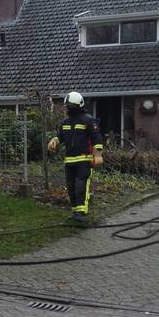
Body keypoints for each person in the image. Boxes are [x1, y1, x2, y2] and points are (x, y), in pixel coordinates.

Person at [47, 91, 103, 222]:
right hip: (69, 161)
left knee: (81, 185)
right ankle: (75, 212)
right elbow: (60, 136)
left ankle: (82, 213)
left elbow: (97, 138)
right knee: (71, 186)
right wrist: (54, 141)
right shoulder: (65, 122)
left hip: (84, 159)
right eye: (67, 106)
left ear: (79, 105)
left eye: (70, 106)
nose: (68, 109)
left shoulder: (88, 120)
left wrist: (98, 155)